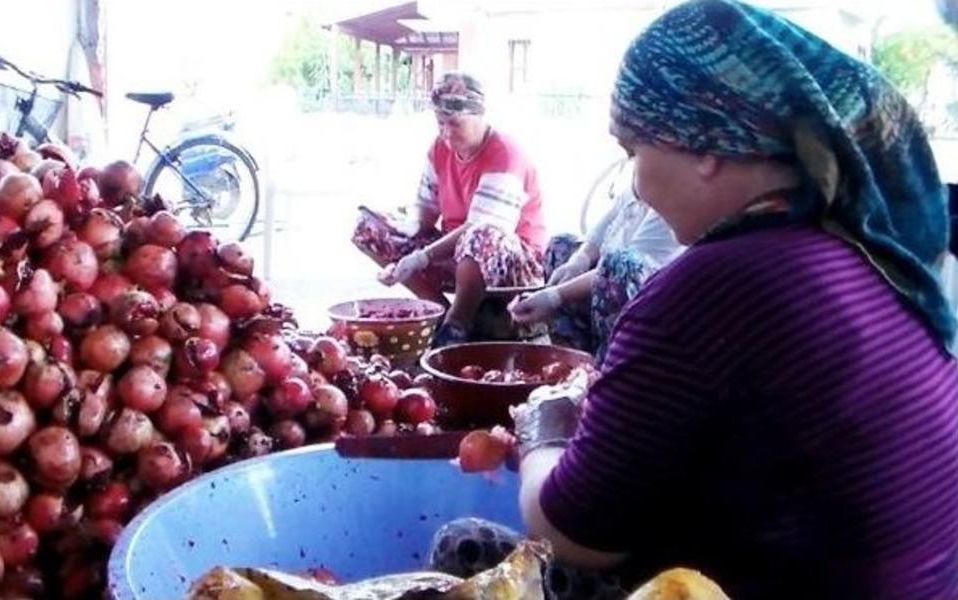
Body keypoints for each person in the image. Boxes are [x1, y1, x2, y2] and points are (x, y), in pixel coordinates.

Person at [432, 1, 958, 599]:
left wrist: (543, 429)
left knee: (464, 546)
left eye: (635, 151)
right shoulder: (869, 254)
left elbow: (573, 531)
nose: (633, 181)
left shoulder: (709, 288)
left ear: (705, 145)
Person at [351, 72, 548, 347]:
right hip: (457, 253)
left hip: (514, 261)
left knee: (479, 234)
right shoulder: (439, 149)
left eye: (454, 123)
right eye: (440, 123)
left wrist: (420, 258)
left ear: (478, 116)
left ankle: (458, 324)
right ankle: (438, 311)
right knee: (370, 226)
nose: (445, 132)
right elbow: (426, 208)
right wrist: (408, 231)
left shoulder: (505, 153)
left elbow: (481, 228)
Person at [508, 178, 684, 359]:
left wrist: (554, 296)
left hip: (650, 304)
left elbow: (622, 267)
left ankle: (607, 362)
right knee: (560, 245)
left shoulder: (672, 199)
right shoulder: (634, 188)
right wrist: (578, 262)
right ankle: (570, 359)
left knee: (619, 265)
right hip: (603, 284)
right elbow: (598, 236)